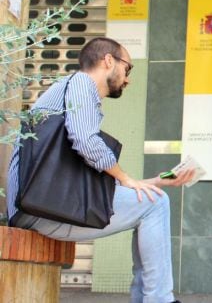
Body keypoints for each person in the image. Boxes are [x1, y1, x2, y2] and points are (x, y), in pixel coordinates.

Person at [6, 37, 192, 303]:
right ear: (108, 61)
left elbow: (78, 178)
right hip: (38, 210)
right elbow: (85, 142)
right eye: (128, 69)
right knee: (155, 204)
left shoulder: (72, 91)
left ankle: (152, 299)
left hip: (40, 205)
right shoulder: (82, 83)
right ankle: (158, 299)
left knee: (152, 200)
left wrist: (149, 182)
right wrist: (126, 179)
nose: (128, 79)